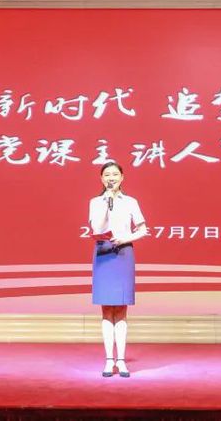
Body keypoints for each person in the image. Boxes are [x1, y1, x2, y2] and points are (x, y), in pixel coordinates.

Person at [88, 161, 148, 377]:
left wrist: (125, 238)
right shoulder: (96, 202)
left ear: (122, 177)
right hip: (103, 253)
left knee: (121, 309)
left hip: (123, 253)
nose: (111, 178)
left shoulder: (131, 202)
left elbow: (143, 229)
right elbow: (96, 227)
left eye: (115, 174)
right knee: (106, 309)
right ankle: (108, 360)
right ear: (101, 179)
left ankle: (121, 360)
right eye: (107, 175)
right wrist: (107, 202)